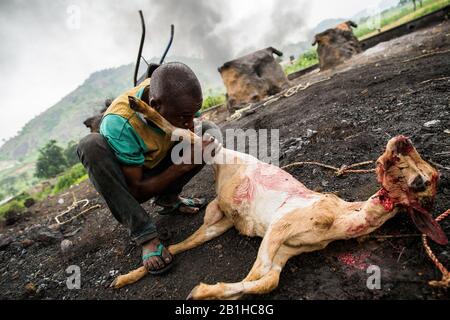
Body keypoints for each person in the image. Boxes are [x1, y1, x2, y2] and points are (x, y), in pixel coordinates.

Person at [77, 62, 221, 275]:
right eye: (183, 116)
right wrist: (179, 168)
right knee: (90, 145)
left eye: (192, 113)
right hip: (135, 178)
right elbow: (137, 191)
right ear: (155, 105)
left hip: (161, 156)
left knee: (210, 133)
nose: (189, 123)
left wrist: (194, 136)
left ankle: (169, 198)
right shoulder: (120, 123)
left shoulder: (175, 97)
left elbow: (193, 122)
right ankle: (144, 234)